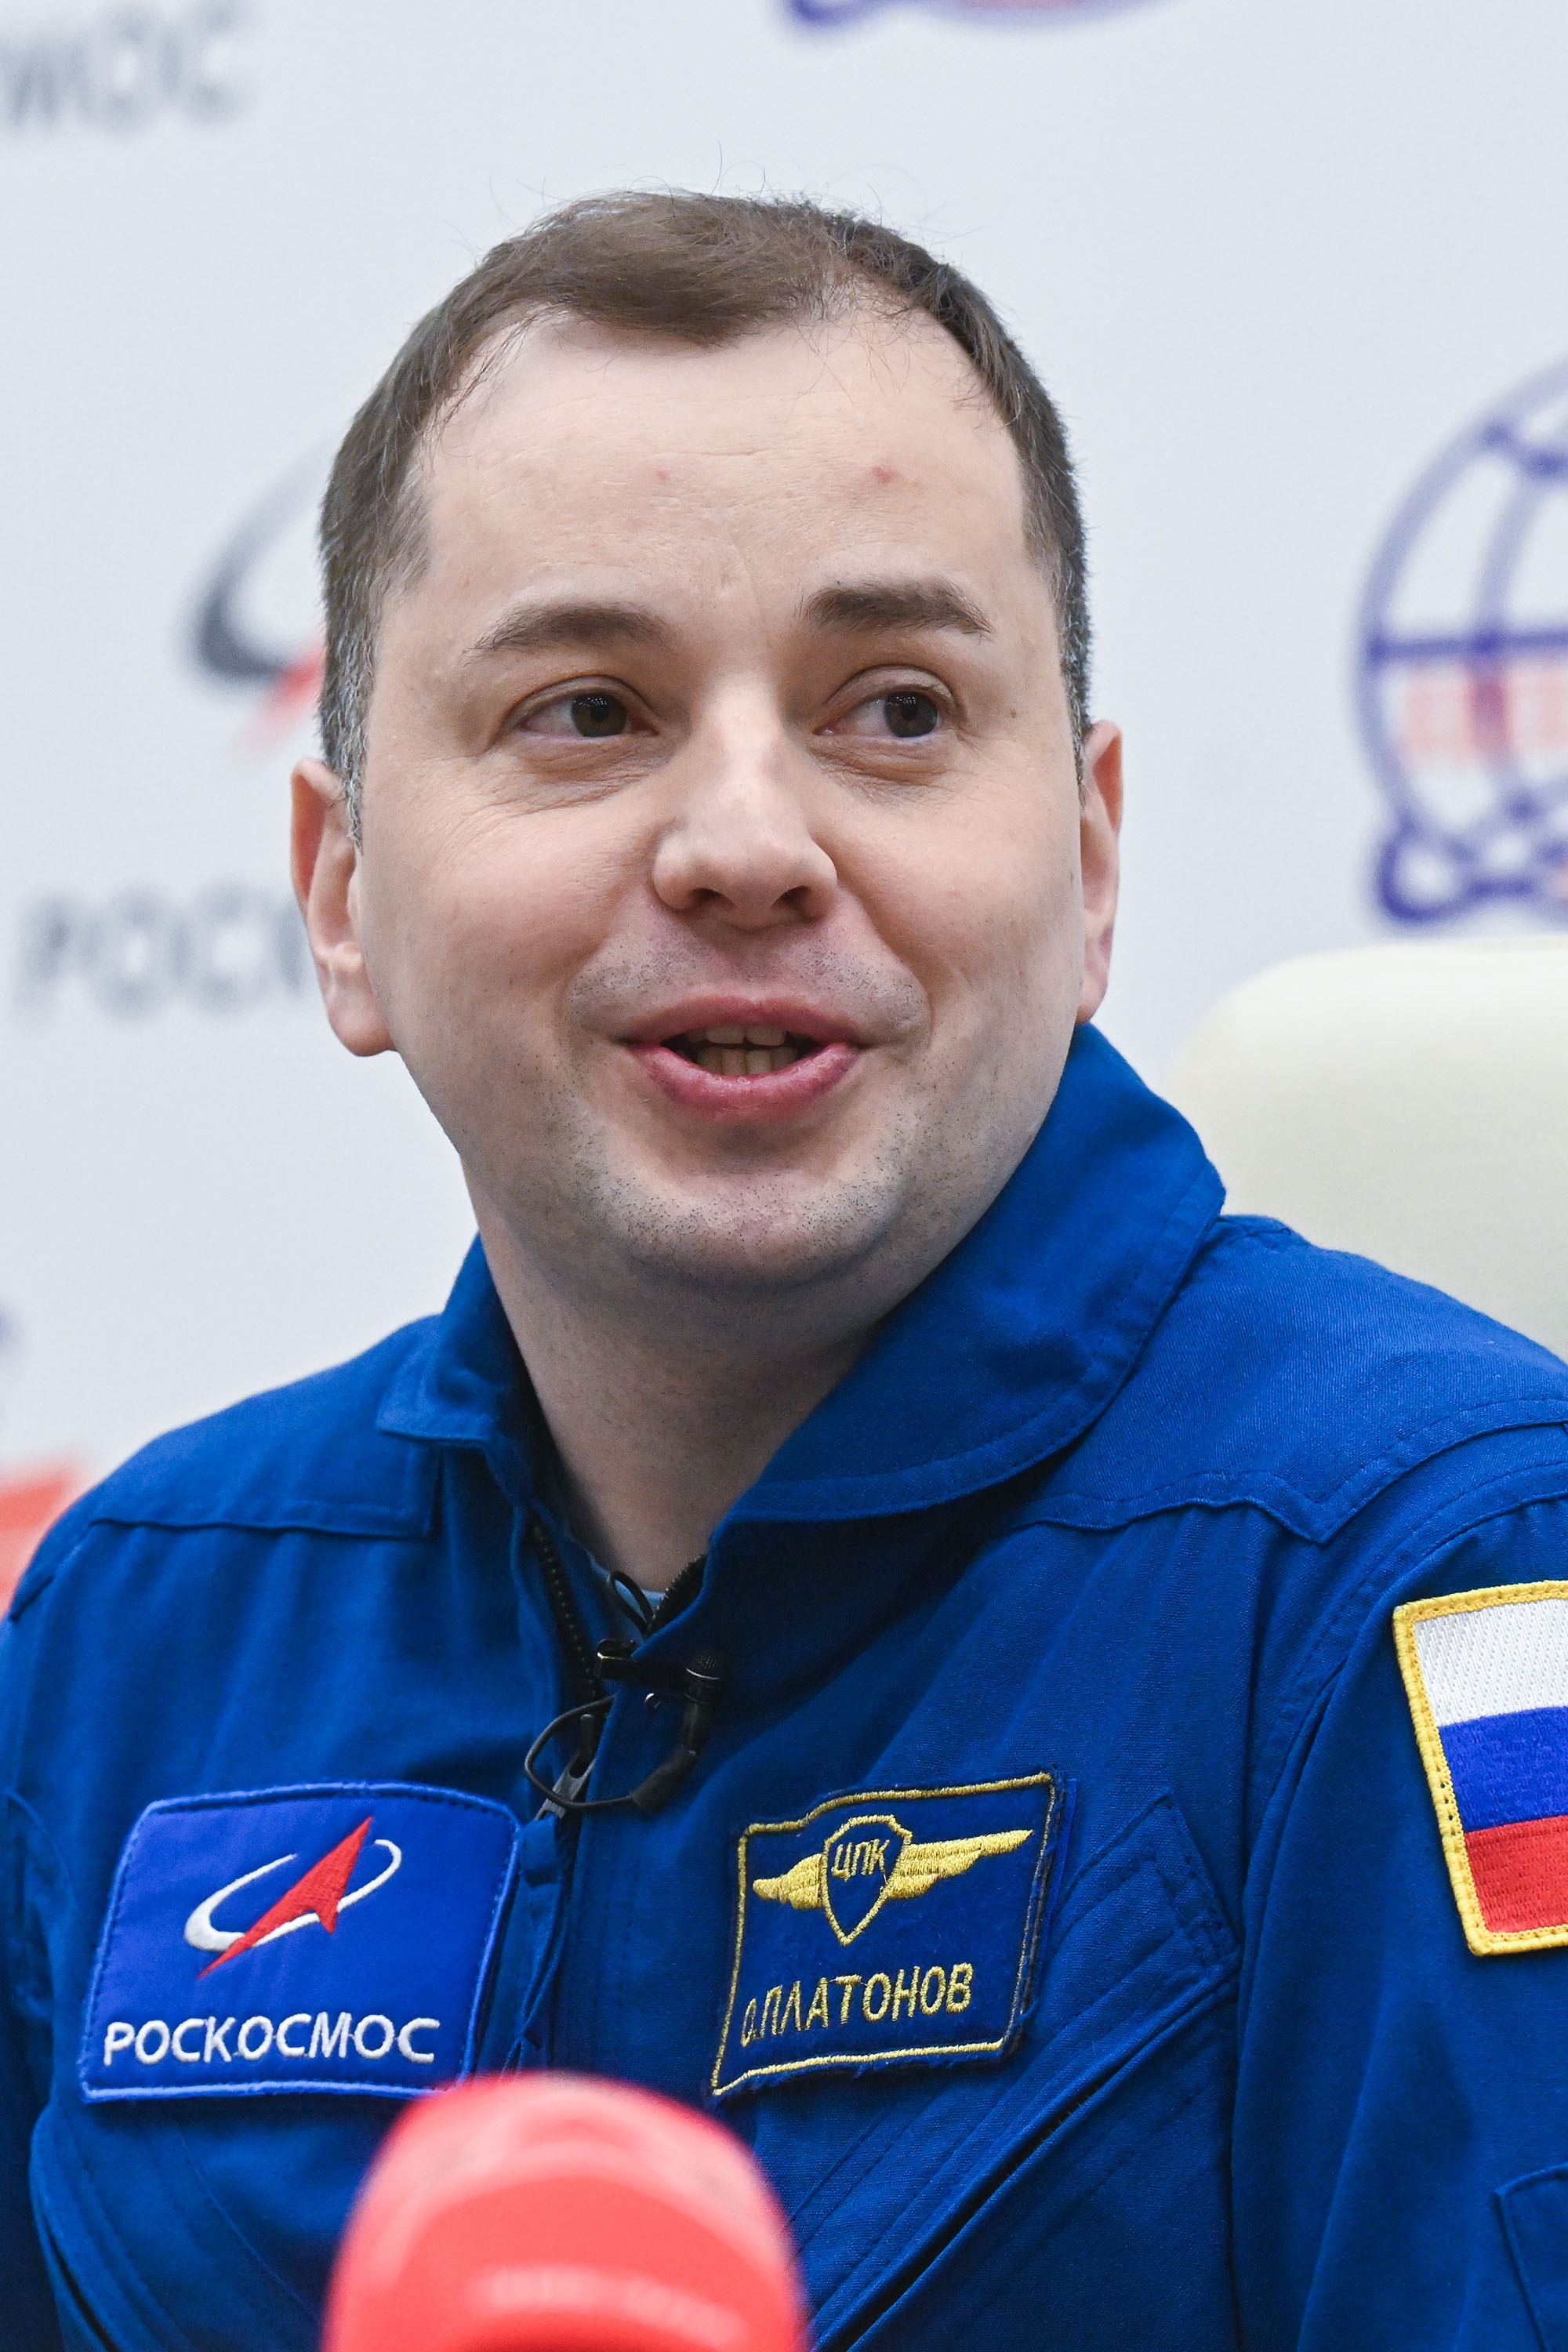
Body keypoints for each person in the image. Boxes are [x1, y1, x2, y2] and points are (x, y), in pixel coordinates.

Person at [5, 191, 1568, 2352]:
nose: (747, 845)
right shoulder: (138, 1627)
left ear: (1090, 859)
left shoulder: (1438, 1575)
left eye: (898, 710)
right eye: (586, 710)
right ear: (341, 890)